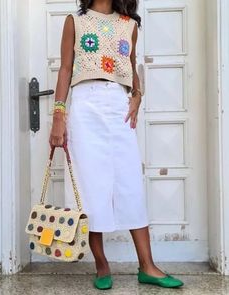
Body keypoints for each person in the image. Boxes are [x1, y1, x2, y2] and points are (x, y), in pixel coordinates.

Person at [49, 0, 184, 290]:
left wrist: (138, 94)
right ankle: (101, 264)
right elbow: (65, 69)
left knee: (130, 183)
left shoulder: (129, 24)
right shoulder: (76, 20)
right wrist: (58, 115)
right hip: (85, 105)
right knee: (91, 187)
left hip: (118, 106)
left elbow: (131, 66)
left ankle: (147, 266)